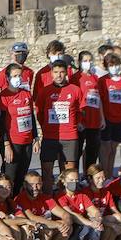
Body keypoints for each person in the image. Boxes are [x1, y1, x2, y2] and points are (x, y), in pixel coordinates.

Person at [11, 171, 73, 240]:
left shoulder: (46, 198)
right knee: (48, 230)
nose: (35, 187)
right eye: (32, 184)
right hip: (31, 231)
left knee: (68, 228)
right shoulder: (20, 198)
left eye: (38, 184)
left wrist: (66, 222)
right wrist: (57, 224)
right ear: (25, 185)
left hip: (44, 228)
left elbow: (65, 214)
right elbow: (32, 217)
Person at [35, 58, 81, 193]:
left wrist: (73, 125)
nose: (59, 75)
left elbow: (80, 111)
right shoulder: (44, 91)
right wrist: (45, 127)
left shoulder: (75, 90)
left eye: (61, 72)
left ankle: (66, 200)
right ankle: (49, 200)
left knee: (69, 173)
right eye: (56, 72)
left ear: (66, 73)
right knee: (47, 171)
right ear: (51, 74)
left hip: (70, 137)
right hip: (50, 137)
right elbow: (39, 113)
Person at [53, 168, 111, 240]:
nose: (74, 183)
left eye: (76, 180)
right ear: (64, 181)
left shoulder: (82, 195)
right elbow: (72, 215)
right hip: (71, 226)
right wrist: (90, 223)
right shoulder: (60, 197)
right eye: (71, 180)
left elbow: (94, 210)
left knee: (95, 223)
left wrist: (98, 219)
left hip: (81, 224)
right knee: (88, 227)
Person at [0, 64, 36, 186]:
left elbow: (31, 116)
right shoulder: (3, 97)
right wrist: (6, 144)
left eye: (19, 75)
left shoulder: (27, 94)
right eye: (14, 76)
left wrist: (36, 137)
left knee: (22, 176)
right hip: (12, 142)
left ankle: (18, 203)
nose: (18, 78)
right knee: (10, 178)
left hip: (27, 141)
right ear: (7, 78)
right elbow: (1, 123)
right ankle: (6, 203)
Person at [81, 164, 121, 240]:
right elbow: (89, 216)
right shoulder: (85, 192)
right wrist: (112, 225)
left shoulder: (106, 192)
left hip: (102, 220)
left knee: (119, 219)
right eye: (98, 178)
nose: (102, 180)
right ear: (90, 179)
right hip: (90, 221)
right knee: (109, 225)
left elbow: (114, 209)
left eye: (103, 177)